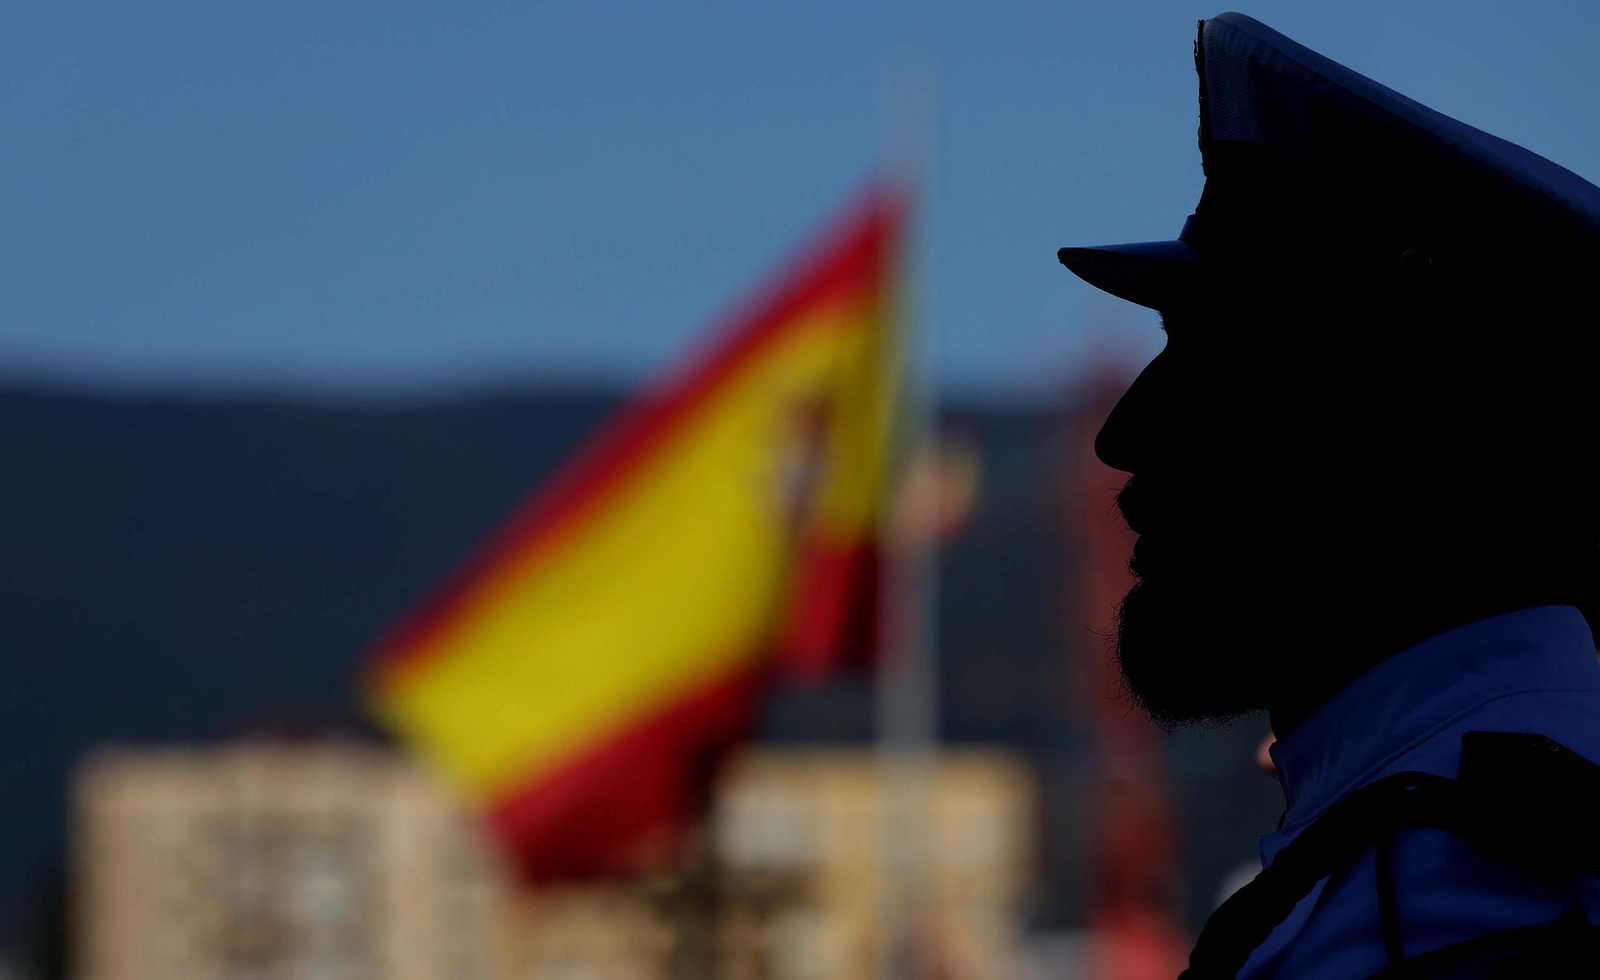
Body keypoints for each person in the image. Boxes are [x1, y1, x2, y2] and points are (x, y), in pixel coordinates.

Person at [1057, 13, 1600, 979]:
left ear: (1411, 435)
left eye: (1217, 366)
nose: (1127, 432)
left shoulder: (1450, 905)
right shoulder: (1425, 848)